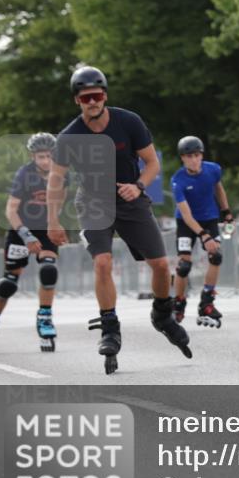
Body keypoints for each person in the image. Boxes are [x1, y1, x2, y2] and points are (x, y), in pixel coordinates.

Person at [47, 65, 191, 374]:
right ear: (77, 101)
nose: (92, 102)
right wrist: (52, 221)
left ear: (105, 95)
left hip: (130, 199)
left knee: (161, 265)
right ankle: (110, 326)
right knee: (102, 262)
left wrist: (138, 185)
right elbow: (56, 180)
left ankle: (162, 314)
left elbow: (152, 163)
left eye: (97, 96)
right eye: (86, 98)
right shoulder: (69, 137)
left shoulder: (129, 121)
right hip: (94, 203)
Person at [0, 133, 63, 355]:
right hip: (21, 231)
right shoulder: (24, 174)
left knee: (49, 270)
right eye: (40, 157)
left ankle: (45, 319)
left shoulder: (60, 174)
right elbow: (10, 210)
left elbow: (59, 203)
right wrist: (27, 236)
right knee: (8, 283)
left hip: (46, 229)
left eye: (49, 156)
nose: (45, 161)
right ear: (33, 156)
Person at [170, 135, 233, 328]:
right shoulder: (177, 180)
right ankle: (179, 302)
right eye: (189, 156)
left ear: (201, 155)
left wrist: (227, 212)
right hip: (186, 222)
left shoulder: (213, 169)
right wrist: (203, 235)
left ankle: (206, 302)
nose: (194, 160)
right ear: (182, 158)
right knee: (184, 266)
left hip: (210, 217)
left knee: (216, 257)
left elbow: (218, 189)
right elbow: (187, 215)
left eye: (197, 155)